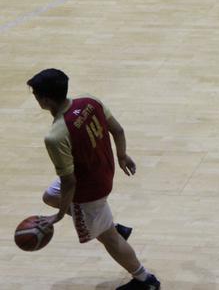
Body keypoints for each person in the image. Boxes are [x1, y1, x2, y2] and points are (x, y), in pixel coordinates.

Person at [28, 69, 160, 290]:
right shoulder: (90, 101)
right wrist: (122, 155)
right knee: (51, 195)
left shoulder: (56, 136)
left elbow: (69, 182)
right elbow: (118, 130)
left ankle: (145, 280)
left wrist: (59, 216)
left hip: (89, 189)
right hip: (104, 170)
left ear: (45, 99)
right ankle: (113, 226)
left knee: (108, 238)